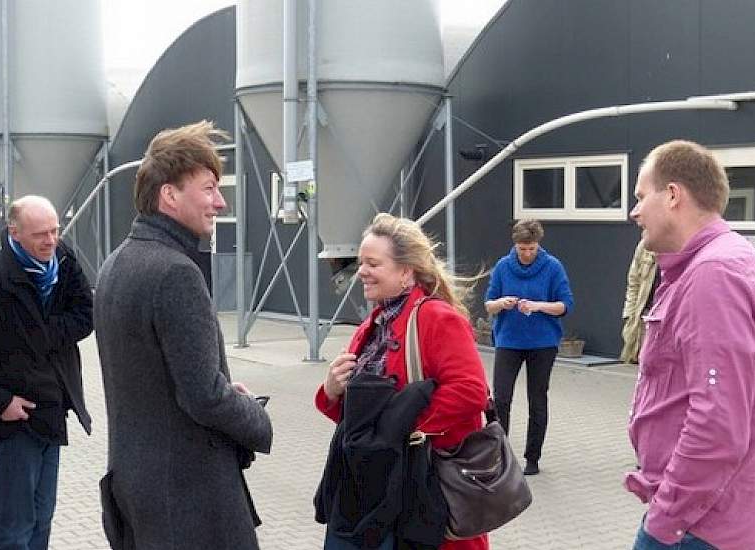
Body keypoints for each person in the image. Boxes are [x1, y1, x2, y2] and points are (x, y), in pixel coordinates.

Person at [94, 121, 272, 549]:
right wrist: (254, 417)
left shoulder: (116, 263)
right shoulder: (176, 272)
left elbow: (159, 377)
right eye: (209, 188)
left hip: (138, 491)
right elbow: (203, 397)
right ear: (169, 195)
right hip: (189, 501)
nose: (220, 201)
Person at [625, 140, 755, 550]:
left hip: (698, 526)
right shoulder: (725, 261)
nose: (634, 212)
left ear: (673, 195)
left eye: (641, 197)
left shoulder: (712, 274)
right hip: (712, 518)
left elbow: (717, 424)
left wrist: (666, 518)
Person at [315, 213, 490, 550]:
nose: (361, 271)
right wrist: (332, 391)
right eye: (361, 261)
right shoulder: (374, 323)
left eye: (373, 263)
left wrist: (404, 430)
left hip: (426, 490)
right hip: (379, 490)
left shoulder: (436, 317)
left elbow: (471, 392)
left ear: (406, 272)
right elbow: (361, 423)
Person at [0, 195, 93, 550]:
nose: (51, 240)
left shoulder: (64, 261)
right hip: (17, 420)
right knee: (13, 530)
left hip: (53, 411)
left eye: (55, 231)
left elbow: (87, 315)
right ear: (15, 232)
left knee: (41, 521)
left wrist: (47, 332)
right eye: (41, 233)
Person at [483, 218, 573, 476]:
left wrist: (537, 306)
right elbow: (489, 303)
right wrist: (502, 302)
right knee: (501, 399)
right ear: (515, 245)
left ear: (538, 245)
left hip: (542, 343)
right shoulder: (503, 266)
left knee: (537, 399)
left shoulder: (553, 267)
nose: (527, 253)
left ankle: (533, 458)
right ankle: (499, 455)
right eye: (522, 248)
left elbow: (565, 305)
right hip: (509, 341)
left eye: (531, 248)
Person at [620, 239, 657, 364]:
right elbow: (633, 283)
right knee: (645, 368)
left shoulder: (684, 245)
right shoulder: (645, 246)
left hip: (671, 321)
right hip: (645, 317)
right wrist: (629, 315)